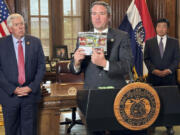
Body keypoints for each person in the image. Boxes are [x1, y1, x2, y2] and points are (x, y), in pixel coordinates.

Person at [70, 1, 147, 135]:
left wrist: (105, 64)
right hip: (91, 94)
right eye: (94, 14)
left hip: (116, 95)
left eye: (101, 13)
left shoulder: (121, 36)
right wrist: (76, 62)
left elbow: (127, 65)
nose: (97, 17)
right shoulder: (83, 38)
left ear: (109, 17)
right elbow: (75, 68)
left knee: (118, 131)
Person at [0, 13, 45, 135]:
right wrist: (12, 89)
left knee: (29, 131)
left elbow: (41, 67)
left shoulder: (35, 42)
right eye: (16, 25)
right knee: (11, 130)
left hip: (30, 96)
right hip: (9, 97)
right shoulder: (1, 44)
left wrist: (31, 87)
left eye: (22, 24)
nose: (21, 27)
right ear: (10, 28)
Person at [144, 18, 180, 135]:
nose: (161, 29)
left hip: (169, 77)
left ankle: (169, 126)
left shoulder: (174, 42)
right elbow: (146, 59)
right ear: (156, 28)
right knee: (153, 102)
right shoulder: (149, 42)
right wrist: (154, 70)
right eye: (159, 26)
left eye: (164, 26)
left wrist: (168, 70)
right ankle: (153, 125)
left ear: (167, 28)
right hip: (153, 77)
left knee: (169, 102)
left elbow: (176, 59)